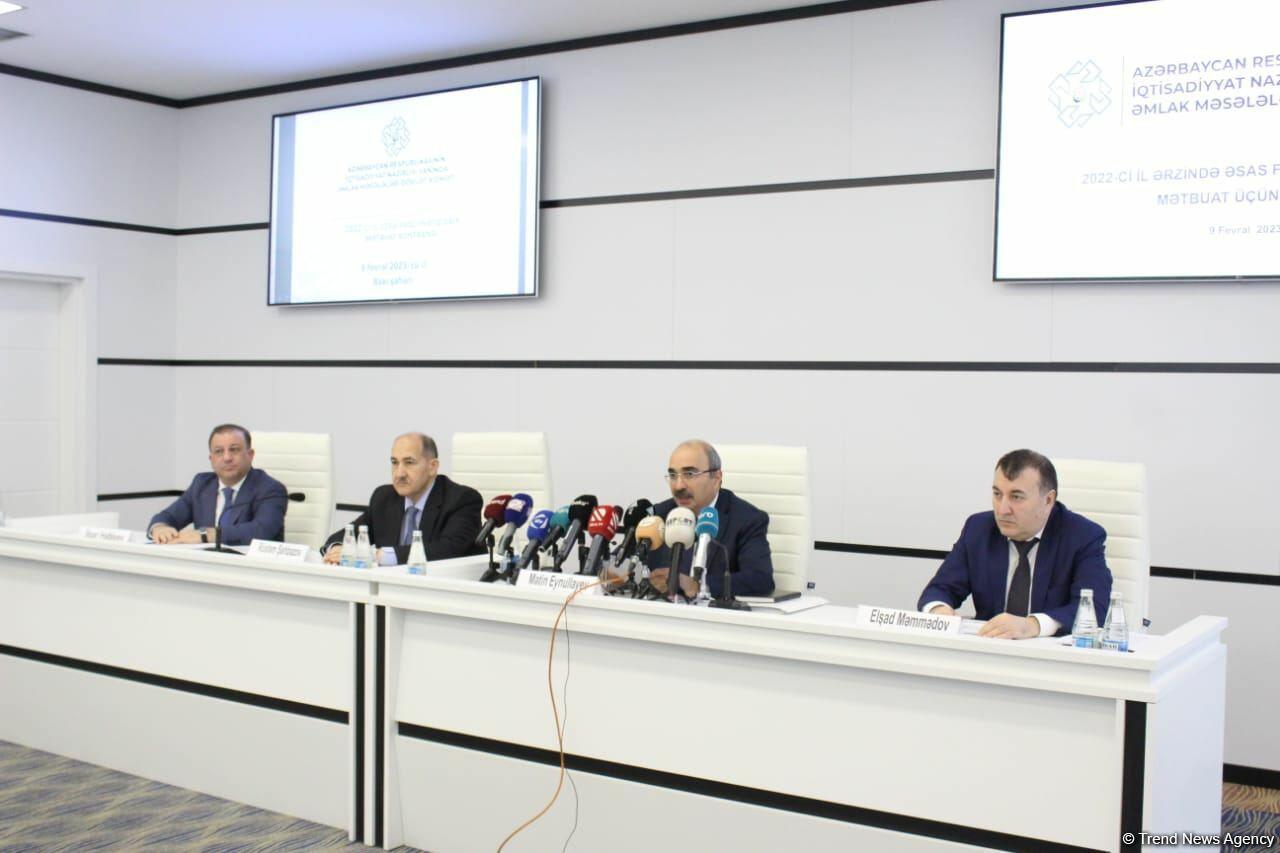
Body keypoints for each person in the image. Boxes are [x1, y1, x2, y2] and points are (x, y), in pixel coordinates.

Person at [917, 449, 1112, 639]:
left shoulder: (1083, 536)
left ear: (1048, 500)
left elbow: (1093, 610)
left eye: (1016, 497)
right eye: (997, 494)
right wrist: (939, 610)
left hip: (1051, 655)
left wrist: (1032, 625)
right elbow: (939, 590)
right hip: (989, 650)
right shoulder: (979, 529)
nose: (1002, 509)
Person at [322, 433, 483, 565]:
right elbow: (347, 534)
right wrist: (338, 548)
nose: (399, 473)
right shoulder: (384, 497)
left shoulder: (462, 500)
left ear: (432, 467)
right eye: (394, 462)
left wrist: (378, 556)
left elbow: (447, 549)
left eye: (409, 462)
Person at [647, 439, 774, 599]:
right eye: (673, 475)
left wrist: (699, 585)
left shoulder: (747, 519)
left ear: (716, 478)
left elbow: (761, 580)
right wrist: (622, 575)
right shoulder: (661, 514)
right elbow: (635, 565)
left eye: (689, 474)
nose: (678, 486)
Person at [148, 424, 287, 546]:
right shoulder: (201, 484)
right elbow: (168, 516)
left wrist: (206, 535)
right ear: (211, 459)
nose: (227, 458)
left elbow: (262, 530)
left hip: (250, 565)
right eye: (219, 451)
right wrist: (160, 528)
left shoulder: (270, 489)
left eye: (234, 449)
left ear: (250, 455)